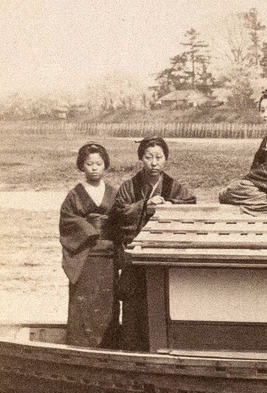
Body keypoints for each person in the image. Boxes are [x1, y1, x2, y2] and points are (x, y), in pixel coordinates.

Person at [108, 137, 198, 349]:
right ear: (141, 159)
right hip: (134, 257)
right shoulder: (129, 186)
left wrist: (169, 205)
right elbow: (119, 212)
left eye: (159, 157)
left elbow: (190, 204)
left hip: (161, 257)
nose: (154, 163)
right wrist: (145, 205)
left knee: (162, 301)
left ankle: (162, 347)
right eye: (149, 157)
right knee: (133, 303)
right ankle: (132, 348)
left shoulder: (173, 187)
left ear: (166, 159)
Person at [58, 142, 119, 348]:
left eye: (99, 163)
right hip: (85, 255)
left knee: (107, 301)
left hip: (108, 256)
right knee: (82, 301)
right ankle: (79, 346)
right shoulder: (74, 195)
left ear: (105, 165)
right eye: (89, 163)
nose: (94, 168)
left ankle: (108, 345)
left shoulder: (113, 193)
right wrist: (90, 228)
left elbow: (121, 219)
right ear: (81, 166)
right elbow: (67, 220)